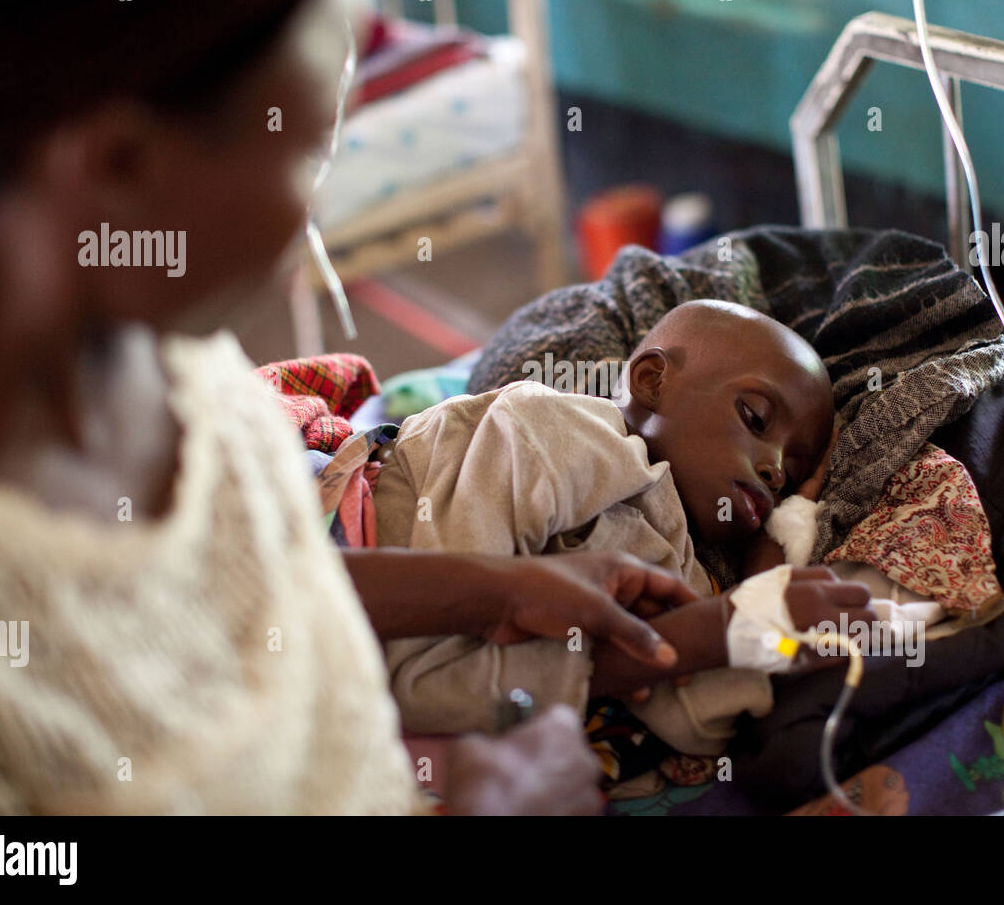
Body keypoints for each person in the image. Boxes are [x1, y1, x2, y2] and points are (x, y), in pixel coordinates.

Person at [0, 0, 710, 815]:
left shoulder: (182, 371)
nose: (316, 219)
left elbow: (247, 591)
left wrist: (495, 587)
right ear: (118, 166)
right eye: (308, 159)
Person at [372, 300, 877, 760]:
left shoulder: (673, 551)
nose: (775, 470)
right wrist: (713, 630)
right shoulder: (546, 428)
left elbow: (702, 716)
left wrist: (769, 560)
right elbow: (427, 678)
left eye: (792, 470)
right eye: (756, 418)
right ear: (654, 381)